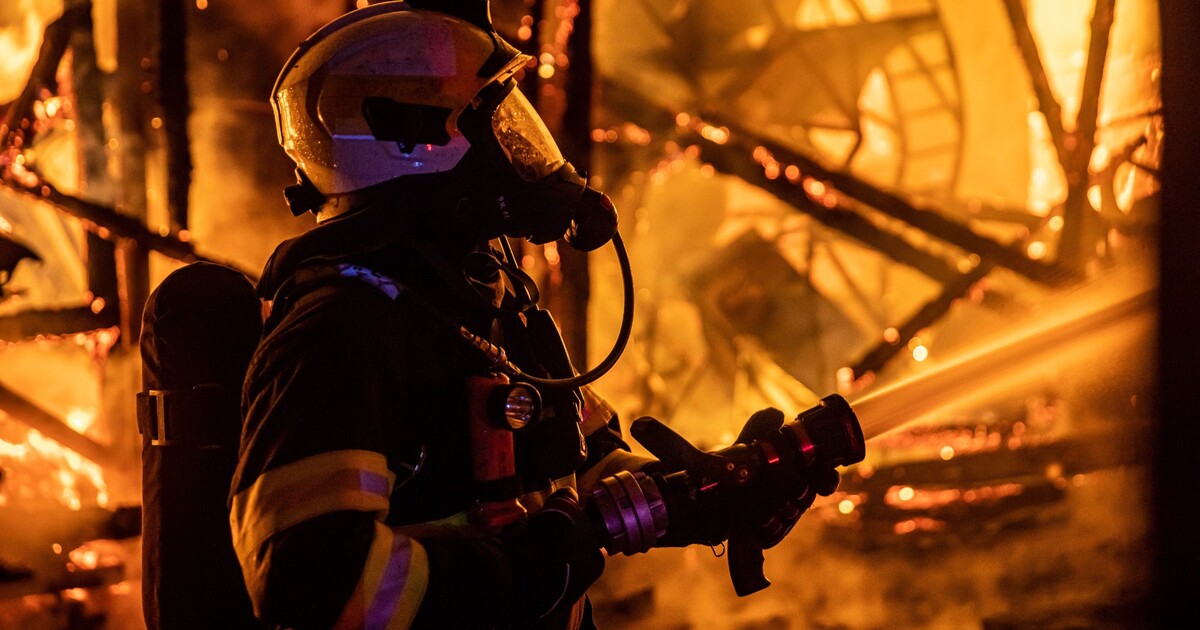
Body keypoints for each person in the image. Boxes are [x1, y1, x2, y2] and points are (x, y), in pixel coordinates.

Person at [229, 2, 837, 628]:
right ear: (412, 137)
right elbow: (310, 586)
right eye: (498, 121)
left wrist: (706, 491)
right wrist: (519, 567)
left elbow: (584, 472)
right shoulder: (341, 332)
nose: (524, 146)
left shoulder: (491, 301)